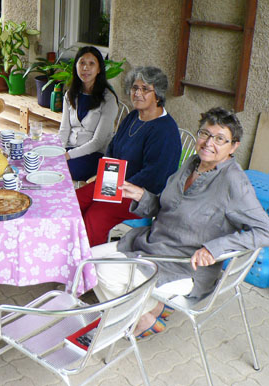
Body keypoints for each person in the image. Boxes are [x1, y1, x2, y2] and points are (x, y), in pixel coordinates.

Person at [92, 107, 269, 338]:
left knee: (101, 271)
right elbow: (169, 208)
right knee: (89, 261)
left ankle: (143, 316)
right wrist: (141, 196)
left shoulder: (234, 182)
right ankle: (149, 309)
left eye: (219, 138)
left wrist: (214, 249)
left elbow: (264, 230)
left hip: (183, 264)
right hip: (153, 244)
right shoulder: (193, 163)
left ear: (233, 146)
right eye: (204, 134)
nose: (208, 143)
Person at [76, 66, 181, 246]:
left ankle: (87, 265)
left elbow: (155, 177)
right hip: (114, 183)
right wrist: (105, 175)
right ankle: (64, 249)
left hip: (141, 196)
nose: (138, 93)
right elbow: (113, 147)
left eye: (145, 89)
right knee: (75, 200)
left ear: (158, 95)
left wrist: (117, 187)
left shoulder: (165, 131)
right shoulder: (133, 116)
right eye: (134, 88)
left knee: (95, 216)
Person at [60, 46, 119, 181]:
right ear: (76, 66)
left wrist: (68, 155)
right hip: (70, 149)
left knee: (60, 172)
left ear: (99, 69)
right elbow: (64, 130)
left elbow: (98, 142)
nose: (85, 68)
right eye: (82, 63)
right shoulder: (70, 94)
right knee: (45, 162)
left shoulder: (108, 99)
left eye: (91, 63)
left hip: (94, 155)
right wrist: (59, 151)